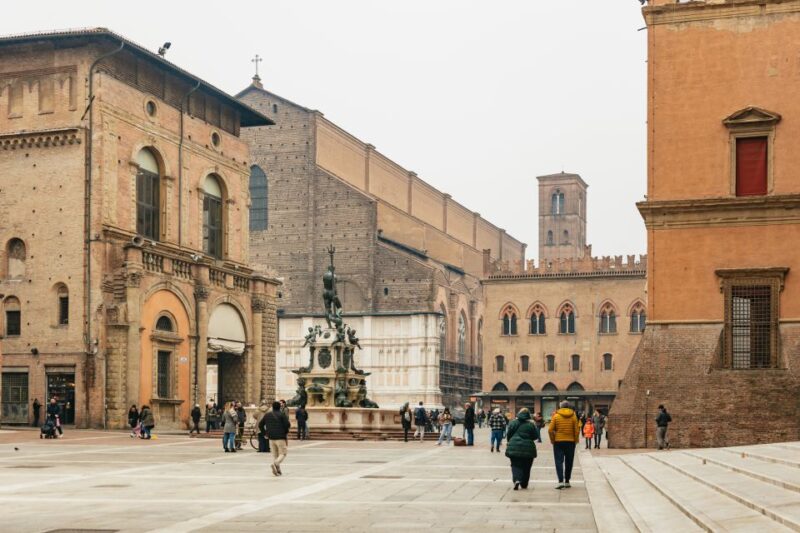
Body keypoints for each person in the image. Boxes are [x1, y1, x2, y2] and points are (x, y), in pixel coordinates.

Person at [505, 408, 540, 490]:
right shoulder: (531, 424)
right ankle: (524, 484)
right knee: (527, 466)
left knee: (515, 464)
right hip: (528, 448)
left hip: (514, 446)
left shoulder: (513, 423)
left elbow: (508, 434)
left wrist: (510, 441)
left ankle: (517, 479)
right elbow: (535, 436)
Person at [549, 400, 580, 490]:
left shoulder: (556, 416)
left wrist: (553, 440)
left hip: (558, 442)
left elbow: (550, 430)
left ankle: (560, 481)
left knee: (559, 461)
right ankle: (567, 481)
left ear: (560, 407)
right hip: (570, 442)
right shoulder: (573, 416)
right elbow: (576, 430)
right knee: (569, 461)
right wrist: (576, 440)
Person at [259, 400, 291, 476]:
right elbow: (287, 425)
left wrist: (265, 433)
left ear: (272, 407)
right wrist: (285, 432)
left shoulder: (267, 415)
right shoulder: (282, 415)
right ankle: (275, 463)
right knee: (283, 453)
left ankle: (278, 470)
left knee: (275, 455)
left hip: (271, 437)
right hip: (280, 437)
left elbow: (260, 425)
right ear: (279, 407)